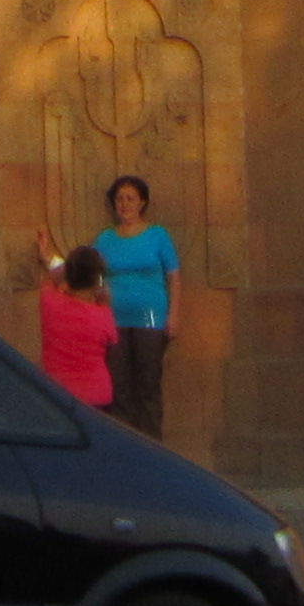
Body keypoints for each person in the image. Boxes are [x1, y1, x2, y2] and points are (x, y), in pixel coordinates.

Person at [90, 174, 181, 439]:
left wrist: (173, 315)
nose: (125, 204)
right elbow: (94, 276)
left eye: (130, 198)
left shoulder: (157, 235)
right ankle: (123, 445)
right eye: (120, 198)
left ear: (142, 203)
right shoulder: (105, 239)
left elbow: (174, 276)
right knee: (118, 388)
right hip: (114, 321)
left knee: (148, 386)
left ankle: (152, 446)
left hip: (151, 320)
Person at [34, 240, 117, 408]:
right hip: (96, 395)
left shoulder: (50, 302)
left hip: (56, 392)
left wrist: (61, 262)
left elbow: (53, 276)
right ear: (97, 280)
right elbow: (112, 340)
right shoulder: (102, 315)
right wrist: (104, 303)